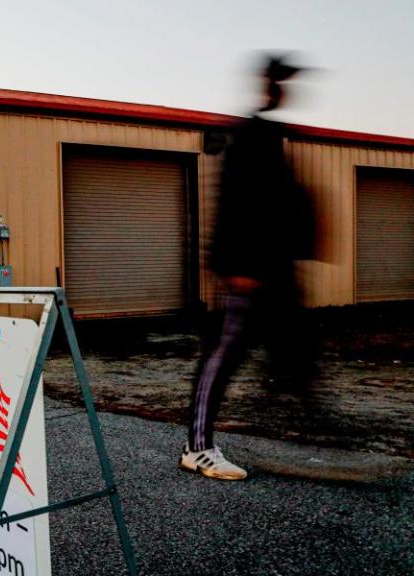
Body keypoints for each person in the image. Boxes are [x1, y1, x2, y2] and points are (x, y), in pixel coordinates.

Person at [180, 54, 316, 481]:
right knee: (223, 356)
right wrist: (234, 265)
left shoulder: (273, 135)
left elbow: (280, 206)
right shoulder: (252, 136)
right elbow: (233, 201)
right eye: (281, 81)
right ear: (267, 83)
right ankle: (197, 448)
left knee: (291, 349)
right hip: (247, 271)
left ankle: (311, 429)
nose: (286, 89)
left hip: (273, 271)